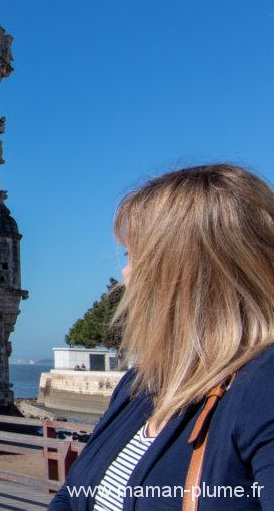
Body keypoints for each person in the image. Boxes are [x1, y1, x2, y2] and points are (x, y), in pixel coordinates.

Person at [49, 164, 274, 510]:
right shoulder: (138, 386)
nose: (124, 275)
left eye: (133, 255)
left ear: (183, 272)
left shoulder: (262, 390)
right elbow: (73, 495)